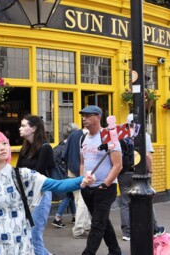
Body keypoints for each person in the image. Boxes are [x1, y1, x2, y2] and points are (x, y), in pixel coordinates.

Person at [0, 129, 96, 255]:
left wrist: (82, 179)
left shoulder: (23, 175)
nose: (2, 147)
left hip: (21, 246)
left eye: (4, 143)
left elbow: (57, 185)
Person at [79, 105, 122, 255]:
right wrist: (81, 182)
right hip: (87, 189)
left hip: (104, 188)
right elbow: (83, 162)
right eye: (83, 116)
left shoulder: (109, 137)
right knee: (103, 222)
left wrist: (105, 185)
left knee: (97, 224)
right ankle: (115, 251)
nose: (84, 119)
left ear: (98, 117)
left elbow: (118, 165)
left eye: (88, 116)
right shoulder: (83, 137)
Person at [118, 113, 166, 241]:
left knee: (124, 202)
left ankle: (126, 233)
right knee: (146, 199)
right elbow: (148, 156)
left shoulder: (121, 136)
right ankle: (154, 229)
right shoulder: (143, 135)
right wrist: (150, 171)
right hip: (139, 172)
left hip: (123, 173)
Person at [17, 114, 55, 255]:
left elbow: (37, 174)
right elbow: (17, 170)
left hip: (41, 194)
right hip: (26, 195)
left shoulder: (45, 148)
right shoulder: (24, 149)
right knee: (28, 236)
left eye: (23, 125)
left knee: (34, 236)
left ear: (33, 128)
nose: (20, 128)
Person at [62, 124, 91, 238]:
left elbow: (64, 154)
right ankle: (81, 226)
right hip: (86, 171)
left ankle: (86, 224)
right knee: (83, 199)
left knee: (78, 199)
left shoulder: (73, 135)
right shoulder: (92, 136)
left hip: (72, 171)